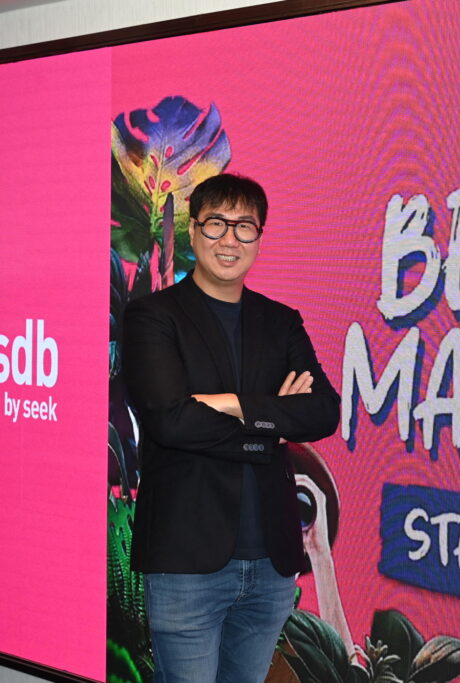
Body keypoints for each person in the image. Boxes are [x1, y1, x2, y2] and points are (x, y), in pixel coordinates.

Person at [123, 173, 341, 682]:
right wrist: (272, 423)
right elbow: (171, 420)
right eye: (216, 223)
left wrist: (230, 405)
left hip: (271, 563)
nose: (229, 239)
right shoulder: (152, 316)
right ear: (193, 230)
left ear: (259, 236)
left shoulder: (280, 322)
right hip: (186, 561)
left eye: (244, 226)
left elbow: (323, 412)